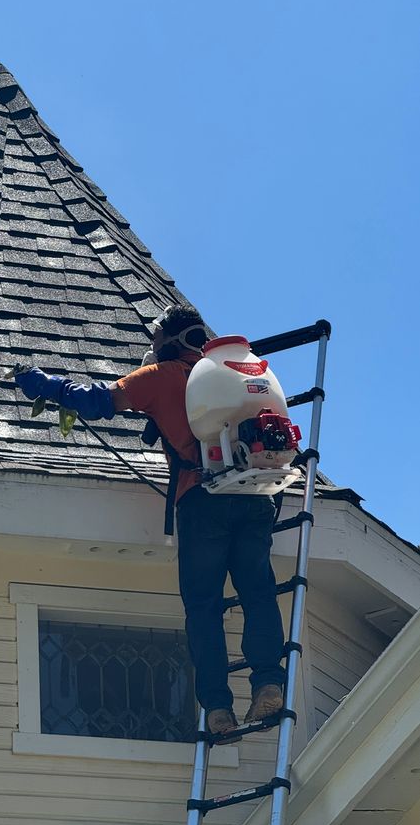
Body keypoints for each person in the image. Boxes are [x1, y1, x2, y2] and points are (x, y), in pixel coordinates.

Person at [15, 302, 285, 737]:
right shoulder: (239, 374)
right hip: (257, 494)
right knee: (258, 594)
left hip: (203, 500)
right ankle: (269, 683)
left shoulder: (163, 377)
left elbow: (100, 400)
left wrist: (47, 384)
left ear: (168, 340)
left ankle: (217, 708)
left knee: (204, 607)